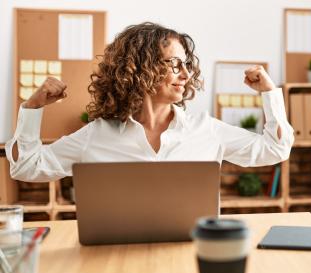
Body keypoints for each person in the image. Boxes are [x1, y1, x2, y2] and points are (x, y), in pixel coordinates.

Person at [7, 22, 294, 182]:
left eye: (186, 65)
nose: (185, 74)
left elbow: (275, 149)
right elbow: (26, 167)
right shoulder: (96, 135)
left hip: (188, 260)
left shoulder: (207, 131)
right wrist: (32, 109)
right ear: (140, 67)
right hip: (117, 260)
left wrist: (270, 94)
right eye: (175, 64)